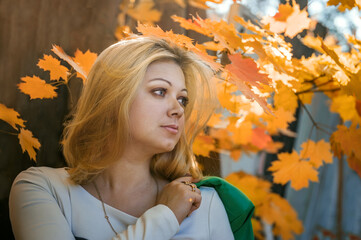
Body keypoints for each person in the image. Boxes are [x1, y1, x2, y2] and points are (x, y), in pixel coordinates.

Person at [9, 36, 253, 240]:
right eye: (160, 91)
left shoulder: (203, 204)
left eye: (182, 99)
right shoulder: (44, 188)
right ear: (113, 99)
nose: (178, 109)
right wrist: (166, 214)